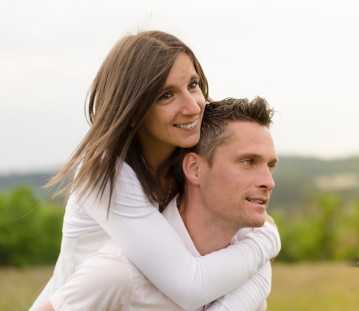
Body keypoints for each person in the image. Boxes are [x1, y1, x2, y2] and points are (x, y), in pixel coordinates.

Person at [30, 31, 280, 310]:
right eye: (166, 95)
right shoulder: (107, 172)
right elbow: (189, 285)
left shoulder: (185, 153)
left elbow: (245, 234)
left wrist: (261, 237)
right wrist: (266, 242)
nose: (193, 106)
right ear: (134, 109)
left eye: (193, 85)